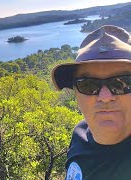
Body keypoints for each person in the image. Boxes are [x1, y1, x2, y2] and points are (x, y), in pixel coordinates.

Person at [51, 25, 131, 180]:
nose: (105, 97)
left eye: (122, 83)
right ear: (75, 92)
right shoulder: (79, 133)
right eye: (88, 85)